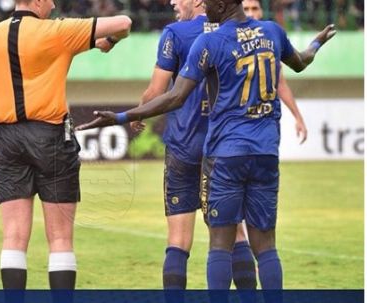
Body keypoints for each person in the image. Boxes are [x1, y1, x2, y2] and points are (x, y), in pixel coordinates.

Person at [77, 0, 336, 290]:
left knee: (217, 244)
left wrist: (122, 116)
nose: (205, 7)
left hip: (223, 153)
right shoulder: (272, 32)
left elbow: (174, 96)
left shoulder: (209, 41)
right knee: (264, 245)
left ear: (222, 4)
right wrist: (317, 42)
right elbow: (301, 61)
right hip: (265, 151)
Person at [0, 0, 132, 290]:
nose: (54, 4)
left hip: (6, 136)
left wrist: (0, 143)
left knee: (13, 237)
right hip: (51, 136)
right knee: (60, 238)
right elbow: (124, 23)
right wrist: (109, 41)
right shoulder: (56, 32)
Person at [129, 0, 257, 290]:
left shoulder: (176, 33)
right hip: (225, 148)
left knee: (178, 240)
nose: (173, 2)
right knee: (235, 234)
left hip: (184, 147)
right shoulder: (235, 33)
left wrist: (136, 114)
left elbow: (156, 91)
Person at [243, 0, 307, 143]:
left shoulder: (271, 40)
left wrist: (298, 117)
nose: (251, 13)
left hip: (266, 123)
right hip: (237, 124)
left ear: (261, 12)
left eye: (254, 8)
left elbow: (281, 84)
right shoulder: (226, 39)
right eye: (246, 9)